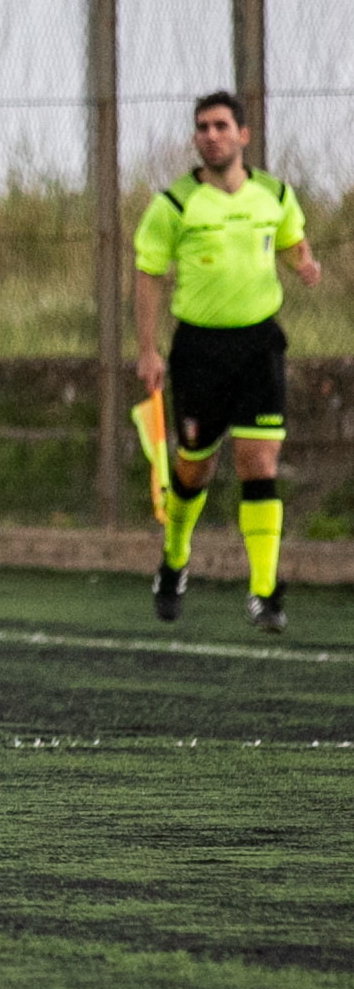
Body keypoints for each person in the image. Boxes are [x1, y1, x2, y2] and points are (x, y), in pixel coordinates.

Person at [135, 91, 322, 632]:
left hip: (259, 345)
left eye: (221, 126)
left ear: (243, 135)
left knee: (258, 464)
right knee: (194, 467)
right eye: (202, 127)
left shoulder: (275, 194)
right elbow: (148, 274)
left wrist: (303, 263)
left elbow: (290, 240)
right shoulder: (173, 204)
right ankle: (174, 558)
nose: (211, 135)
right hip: (199, 350)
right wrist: (147, 349)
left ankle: (265, 591)